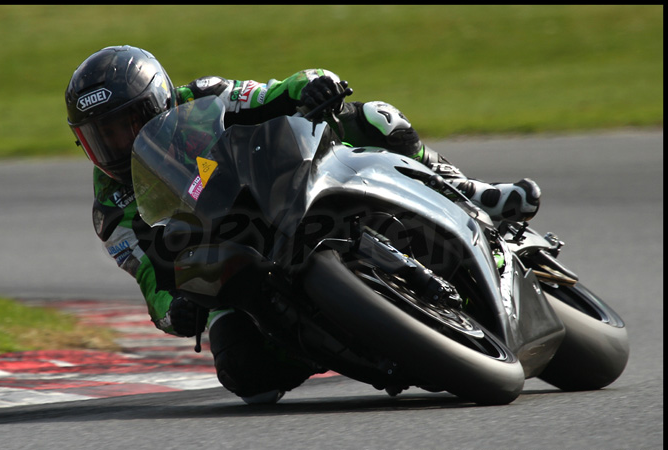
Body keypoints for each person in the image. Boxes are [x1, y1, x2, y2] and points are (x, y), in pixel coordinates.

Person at [65, 45, 541, 404]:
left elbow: (275, 93)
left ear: (159, 102)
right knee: (242, 373)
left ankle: (468, 190)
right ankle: (320, 344)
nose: (118, 143)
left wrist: (314, 84)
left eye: (126, 124)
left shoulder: (204, 97)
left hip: (277, 190)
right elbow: (152, 278)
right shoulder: (112, 211)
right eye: (100, 136)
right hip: (225, 254)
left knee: (374, 117)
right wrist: (176, 310)